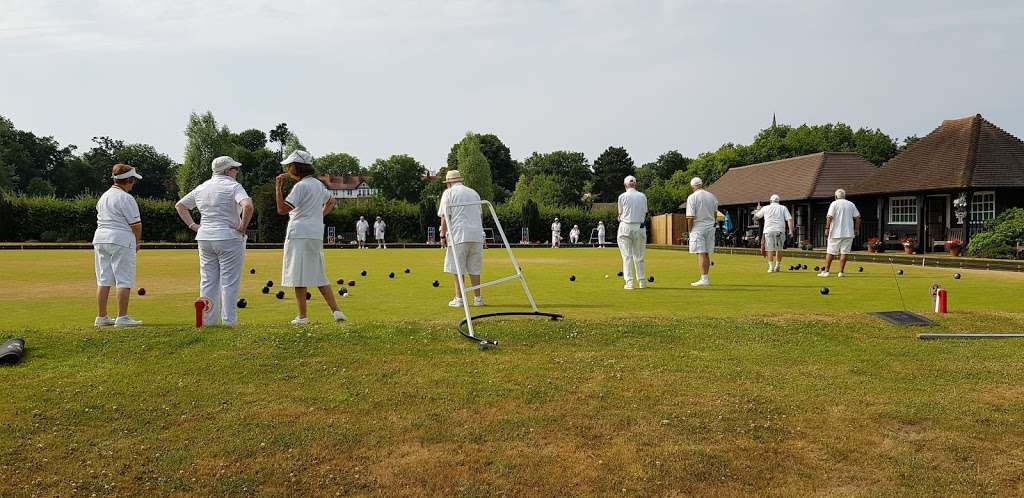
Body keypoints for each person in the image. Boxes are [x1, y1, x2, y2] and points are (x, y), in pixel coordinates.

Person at [175, 156, 253, 326]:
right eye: (235, 168)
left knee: (208, 281)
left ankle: (207, 321)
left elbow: (180, 205)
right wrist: (242, 227)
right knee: (229, 282)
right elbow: (247, 205)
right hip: (228, 238)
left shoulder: (202, 187)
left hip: (204, 238)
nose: (237, 171)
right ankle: (229, 322)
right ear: (228, 171)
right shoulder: (234, 186)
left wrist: (193, 225)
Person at [275, 150, 347, 324]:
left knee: (298, 276)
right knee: (318, 273)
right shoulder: (316, 184)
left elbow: (282, 209)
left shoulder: (300, 187)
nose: (287, 167)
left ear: (296, 167)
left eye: (290, 165)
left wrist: (278, 189)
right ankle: (337, 312)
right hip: (315, 232)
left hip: (299, 233)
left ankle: (302, 316)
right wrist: (319, 216)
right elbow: (331, 201)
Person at [92, 163, 144, 327]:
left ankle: (102, 317)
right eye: (133, 180)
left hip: (100, 239)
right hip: (120, 240)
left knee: (104, 279)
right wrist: (137, 242)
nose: (133, 183)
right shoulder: (126, 198)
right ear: (128, 180)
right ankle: (122, 317)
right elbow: (136, 225)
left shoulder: (104, 196)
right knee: (124, 279)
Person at [437, 170, 485, 307]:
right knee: (474, 268)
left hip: (458, 235)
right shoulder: (474, 193)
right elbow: (480, 215)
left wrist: (442, 235)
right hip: (476, 235)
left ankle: (459, 299)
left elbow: (445, 216)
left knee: (457, 268)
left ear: (449, 182)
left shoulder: (449, 193)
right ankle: (478, 299)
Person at [819, 189, 861, 277]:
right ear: (844, 196)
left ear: (835, 196)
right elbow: (858, 217)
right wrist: (856, 229)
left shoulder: (834, 204)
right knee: (844, 252)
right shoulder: (851, 204)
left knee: (830, 252)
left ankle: (826, 272)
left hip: (835, 232)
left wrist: (827, 228)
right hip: (848, 232)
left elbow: (829, 217)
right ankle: (841, 272)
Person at [685, 177, 719, 287]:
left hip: (698, 227)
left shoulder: (692, 197)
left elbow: (690, 217)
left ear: (692, 186)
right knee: (706, 252)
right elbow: (715, 214)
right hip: (710, 226)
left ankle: (704, 279)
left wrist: (690, 230)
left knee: (701, 252)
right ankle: (705, 277)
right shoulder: (712, 196)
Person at [617, 175, 648, 290]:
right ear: (635, 184)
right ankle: (642, 281)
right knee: (639, 256)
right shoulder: (642, 196)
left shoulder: (622, 197)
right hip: (639, 227)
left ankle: (629, 283)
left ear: (625, 185)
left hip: (625, 227)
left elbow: (620, 214)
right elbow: (644, 212)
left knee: (627, 256)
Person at [753, 194, 794, 273]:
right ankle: (777, 266)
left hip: (768, 231)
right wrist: (791, 231)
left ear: (770, 201)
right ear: (778, 201)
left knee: (769, 249)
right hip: (780, 230)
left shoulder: (765, 208)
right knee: (779, 249)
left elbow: (755, 218)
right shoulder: (783, 208)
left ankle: (771, 267)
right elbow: (789, 219)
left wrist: (758, 210)